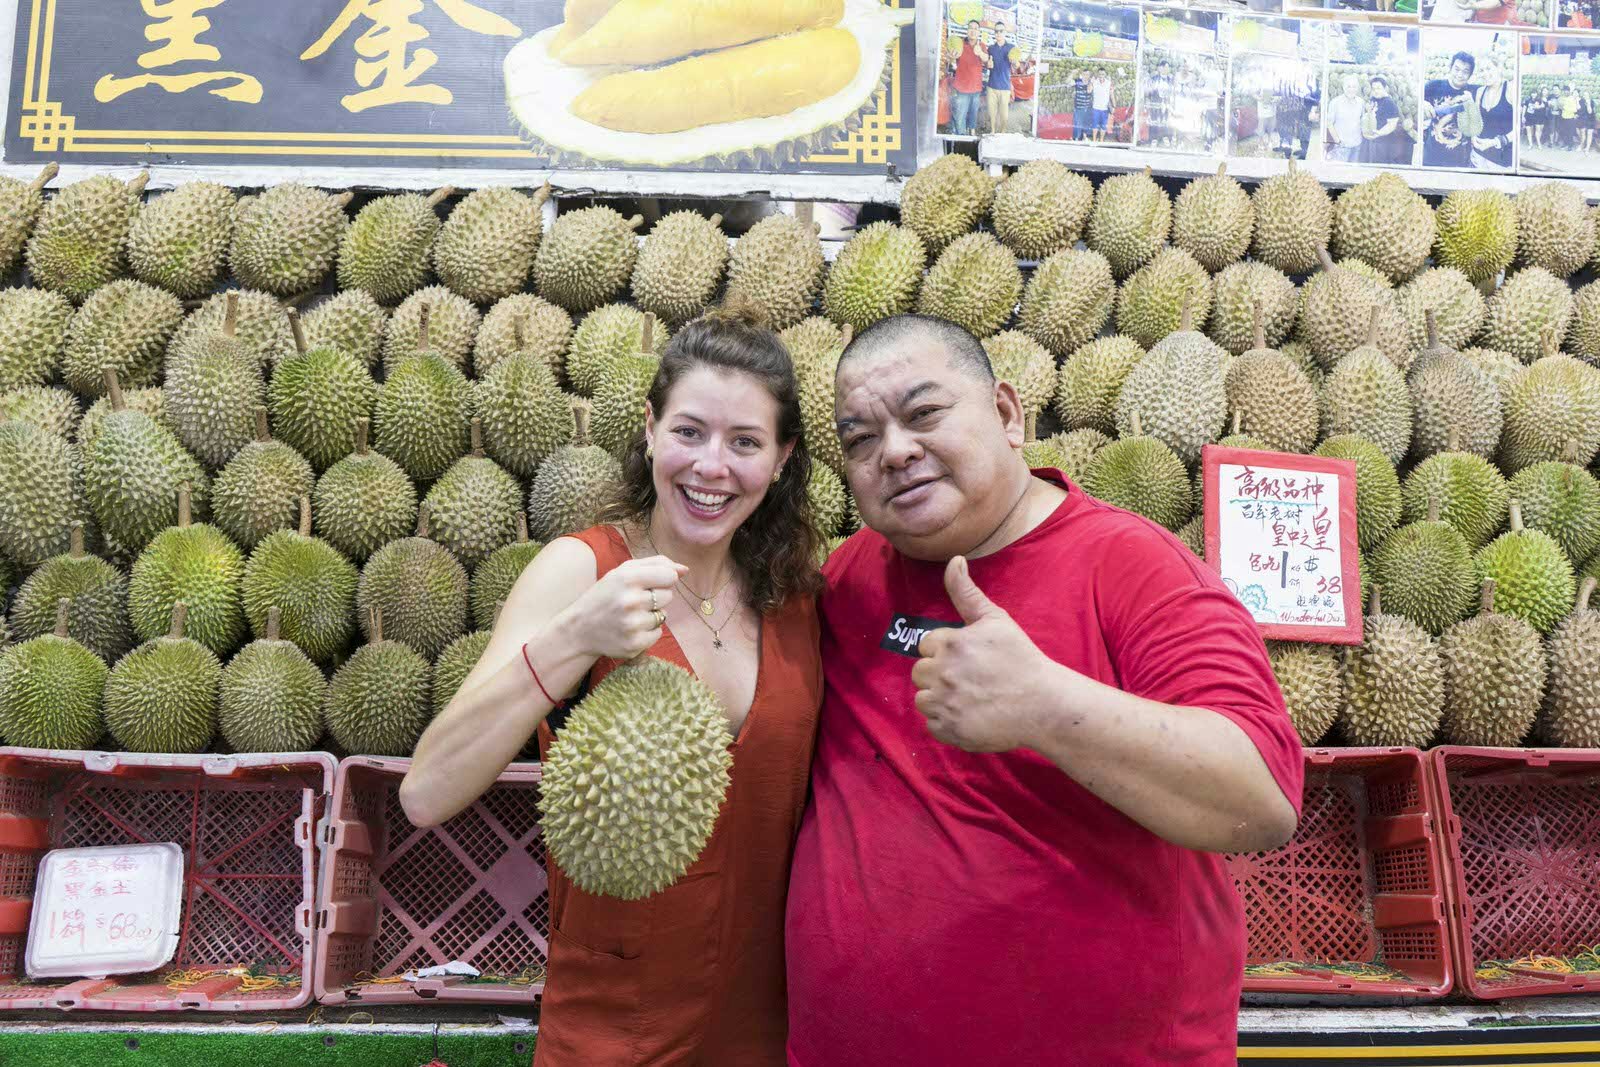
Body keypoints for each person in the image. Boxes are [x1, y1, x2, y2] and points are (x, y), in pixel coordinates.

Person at [784, 315, 1304, 1065]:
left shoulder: (1132, 566)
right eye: (861, 438)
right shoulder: (849, 579)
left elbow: (1260, 800)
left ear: (1006, 413)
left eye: (924, 414)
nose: (894, 451)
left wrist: (1045, 704)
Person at [399, 300, 826, 1066]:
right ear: (650, 429)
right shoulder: (581, 569)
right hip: (612, 1023)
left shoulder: (797, 602)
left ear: (783, 457)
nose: (711, 466)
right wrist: (573, 636)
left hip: (765, 1023)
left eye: (745, 442)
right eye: (689, 431)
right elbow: (426, 792)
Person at [1423, 51, 1476, 168]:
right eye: (1456, 69)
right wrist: (1423, 102)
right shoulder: (1433, 86)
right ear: (1450, 68)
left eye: (1465, 71)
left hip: (1460, 159)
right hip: (1431, 156)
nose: (1460, 74)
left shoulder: (1474, 92)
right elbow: (1413, 98)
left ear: (1470, 75)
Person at [1472, 60, 1515, 169]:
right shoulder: (1480, 92)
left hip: (1501, 159)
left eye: (1488, 68)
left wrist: (1495, 142)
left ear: (1499, 68)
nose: (1485, 74)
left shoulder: (1511, 89)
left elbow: (1520, 128)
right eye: (1481, 70)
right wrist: (1473, 136)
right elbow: (1476, 121)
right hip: (1479, 155)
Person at [948, 20, 987, 136]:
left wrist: (980, 53)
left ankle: (972, 131)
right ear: (967, 30)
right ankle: (962, 139)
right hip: (961, 89)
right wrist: (951, 58)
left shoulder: (982, 46)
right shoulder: (959, 44)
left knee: (973, 114)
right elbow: (953, 65)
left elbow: (986, 59)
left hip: (976, 88)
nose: (973, 30)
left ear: (978, 32)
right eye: (971, 28)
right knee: (960, 117)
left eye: (976, 28)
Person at [1363, 75, 1406, 165]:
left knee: (1381, 167)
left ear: (1385, 88)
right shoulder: (1373, 99)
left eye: (1378, 88)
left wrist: (1379, 133)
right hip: (1374, 141)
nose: (1376, 91)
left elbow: (1392, 124)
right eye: (1373, 89)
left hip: (1384, 142)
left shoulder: (1389, 103)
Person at [983, 21, 1017, 136]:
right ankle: (992, 131)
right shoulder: (991, 49)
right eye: (996, 31)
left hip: (1005, 87)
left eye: (1001, 31)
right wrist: (988, 65)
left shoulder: (1011, 48)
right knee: (992, 114)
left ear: (1005, 32)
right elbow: (986, 65)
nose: (998, 33)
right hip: (991, 86)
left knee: (1004, 115)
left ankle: (1002, 133)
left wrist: (1015, 62)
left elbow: (1017, 65)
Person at [1326, 76, 1365, 161]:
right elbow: (1329, 123)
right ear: (1343, 87)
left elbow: (1362, 121)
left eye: (1354, 87)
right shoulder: (1335, 102)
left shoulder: (1361, 102)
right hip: (1341, 146)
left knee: (1353, 170)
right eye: (1348, 86)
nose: (1351, 89)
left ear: (1357, 88)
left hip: (1357, 144)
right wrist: (1338, 141)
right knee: (1340, 171)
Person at [1091, 68, 1113, 142]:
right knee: (1095, 125)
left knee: (1103, 126)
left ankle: (1101, 140)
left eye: (1103, 74)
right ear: (1097, 74)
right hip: (1096, 107)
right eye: (1100, 74)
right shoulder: (1094, 82)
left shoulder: (1109, 82)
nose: (1101, 75)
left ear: (1105, 74)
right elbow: (1089, 91)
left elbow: (1111, 94)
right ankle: (1094, 140)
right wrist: (1091, 82)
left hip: (1105, 108)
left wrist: (1114, 106)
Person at [1071, 68, 1092, 140]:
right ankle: (1076, 139)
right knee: (1078, 125)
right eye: (1084, 74)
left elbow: (1089, 91)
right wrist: (1072, 73)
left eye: (1087, 75)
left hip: (1088, 108)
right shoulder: (1077, 81)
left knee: (1086, 125)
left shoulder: (1091, 83)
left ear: (1089, 76)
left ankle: (1084, 137)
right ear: (1082, 75)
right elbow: (1068, 82)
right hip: (1078, 108)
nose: (1086, 76)